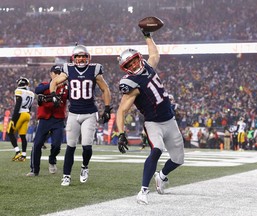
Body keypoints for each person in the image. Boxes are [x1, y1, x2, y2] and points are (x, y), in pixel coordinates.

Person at [116, 29, 184, 205]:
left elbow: (154, 53)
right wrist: (121, 133)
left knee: (178, 159)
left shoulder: (147, 66)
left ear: (138, 58)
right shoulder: (131, 84)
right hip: (153, 122)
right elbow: (121, 111)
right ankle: (143, 191)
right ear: (125, 69)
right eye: (128, 65)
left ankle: (161, 176)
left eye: (134, 62)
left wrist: (148, 36)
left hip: (170, 119)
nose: (133, 66)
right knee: (157, 149)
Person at [49, 44, 112, 186]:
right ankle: (66, 175)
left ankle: (84, 166)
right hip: (73, 113)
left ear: (88, 57)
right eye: (78, 56)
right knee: (70, 146)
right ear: (74, 58)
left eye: (84, 56)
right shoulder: (68, 69)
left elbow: (105, 89)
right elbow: (54, 81)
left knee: (87, 146)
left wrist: (107, 108)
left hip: (89, 113)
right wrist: (53, 95)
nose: (81, 58)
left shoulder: (94, 69)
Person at [26, 65, 68, 177]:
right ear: (51, 74)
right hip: (44, 119)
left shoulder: (66, 88)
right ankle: (34, 170)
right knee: (37, 144)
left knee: (57, 145)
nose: (57, 75)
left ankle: (52, 159)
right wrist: (53, 84)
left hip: (58, 120)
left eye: (59, 73)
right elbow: (37, 90)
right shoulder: (44, 85)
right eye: (55, 72)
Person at [8, 77, 35, 161]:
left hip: (20, 113)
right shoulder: (31, 93)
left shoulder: (18, 91)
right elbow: (30, 107)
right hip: (27, 114)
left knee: (10, 132)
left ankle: (17, 152)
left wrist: (13, 119)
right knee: (23, 136)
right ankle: (23, 156)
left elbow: (18, 105)